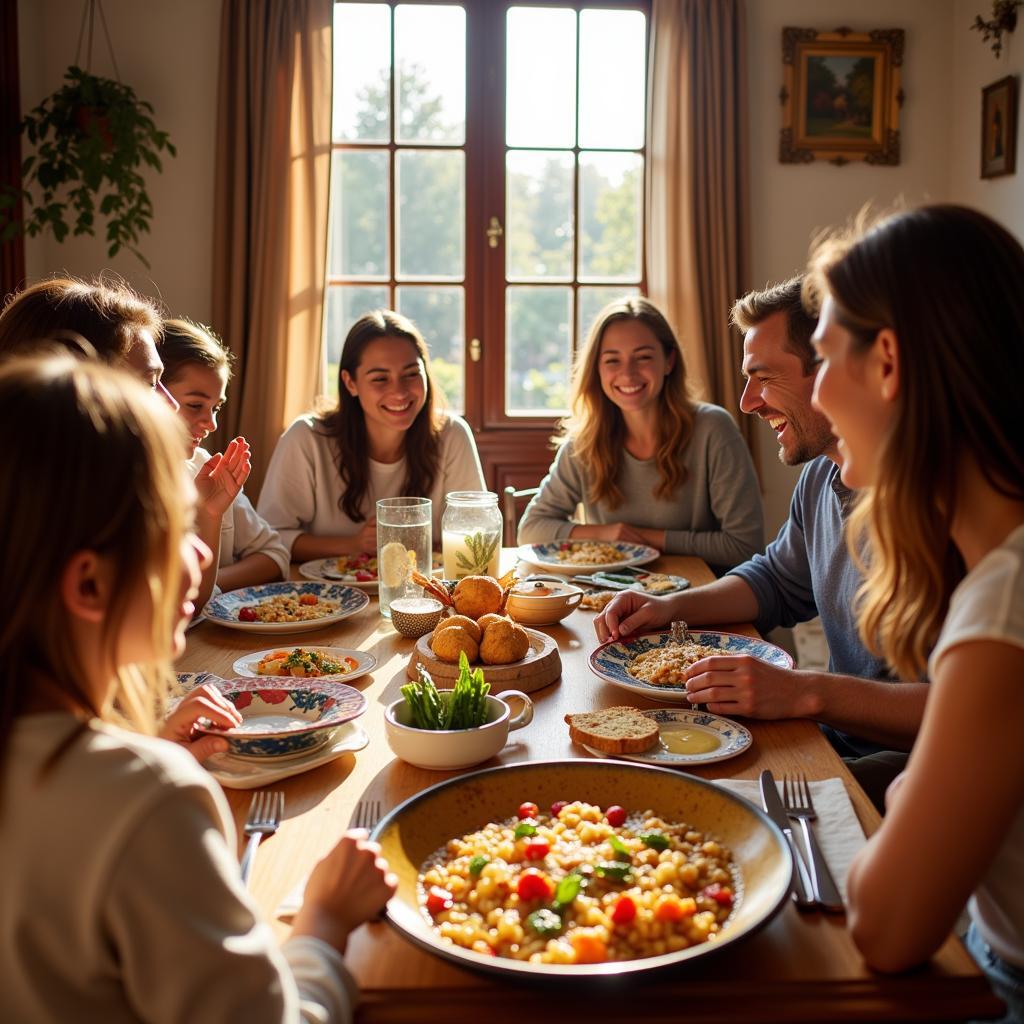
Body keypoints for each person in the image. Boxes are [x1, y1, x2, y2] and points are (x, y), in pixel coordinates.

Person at [0, 354, 396, 1022]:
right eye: (176, 529)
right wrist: (324, 923)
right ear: (90, 584)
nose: (205, 554)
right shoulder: (148, 802)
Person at [595, 277, 927, 809]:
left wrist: (803, 691)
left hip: (912, 765)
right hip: (830, 733)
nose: (748, 402)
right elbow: (775, 579)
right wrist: (669, 607)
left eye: (763, 378)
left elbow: (973, 715)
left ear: (830, 372)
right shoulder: (823, 475)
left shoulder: (941, 507)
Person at [806, 205, 1024, 1013]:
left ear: (888, 361)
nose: (817, 389)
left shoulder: (1004, 602)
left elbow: (888, 927)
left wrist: (899, 807)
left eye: (825, 355)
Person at [0, 276, 252, 613]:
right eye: (149, 384)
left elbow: (174, 608)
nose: (170, 404)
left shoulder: (118, 482)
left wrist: (208, 514)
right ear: (75, 389)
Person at [517, 297, 763, 574]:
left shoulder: (714, 429)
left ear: (669, 361)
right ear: (596, 369)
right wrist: (608, 533)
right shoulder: (584, 443)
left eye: (643, 357)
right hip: (608, 598)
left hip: (699, 596)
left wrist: (640, 538)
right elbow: (530, 530)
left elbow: (744, 546)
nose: (628, 373)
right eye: (612, 360)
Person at [258, 309, 485, 560]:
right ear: (350, 383)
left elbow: (477, 534)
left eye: (411, 374)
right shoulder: (306, 438)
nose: (399, 392)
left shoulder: (452, 434)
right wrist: (354, 544)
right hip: (325, 595)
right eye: (380, 379)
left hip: (424, 594)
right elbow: (271, 539)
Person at [161, 318, 290, 592]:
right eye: (195, 405)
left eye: (216, 408)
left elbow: (275, 556)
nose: (212, 424)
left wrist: (208, 588)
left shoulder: (207, 469)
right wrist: (198, 591)